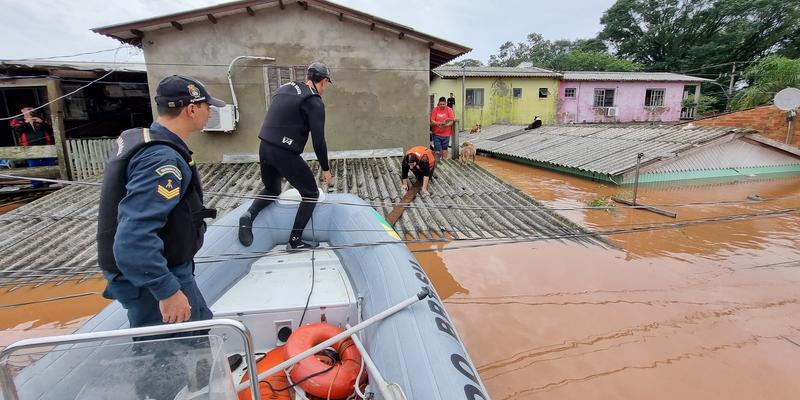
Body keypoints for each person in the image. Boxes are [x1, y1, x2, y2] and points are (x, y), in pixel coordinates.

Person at [96, 75, 223, 398]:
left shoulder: (141, 138)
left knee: (195, 331)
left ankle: (196, 386)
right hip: (155, 276)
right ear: (191, 109)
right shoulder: (162, 160)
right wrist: (166, 290)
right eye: (207, 106)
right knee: (164, 358)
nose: (210, 112)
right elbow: (133, 237)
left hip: (161, 268)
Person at [238, 62, 333, 250]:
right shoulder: (314, 102)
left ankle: (248, 215)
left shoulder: (286, 87)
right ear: (323, 81)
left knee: (272, 189)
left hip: (264, 146)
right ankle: (295, 240)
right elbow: (319, 141)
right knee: (311, 193)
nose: (326, 87)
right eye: (327, 83)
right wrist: (326, 169)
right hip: (284, 151)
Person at [9, 106, 57, 187]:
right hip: (29, 148)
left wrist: (42, 122)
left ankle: (51, 182)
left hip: (45, 146)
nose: (31, 110)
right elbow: (18, 130)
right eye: (28, 109)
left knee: (49, 164)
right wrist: (26, 122)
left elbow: (51, 129)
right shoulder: (17, 120)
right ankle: (37, 184)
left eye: (32, 109)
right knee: (33, 166)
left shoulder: (40, 118)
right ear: (22, 110)